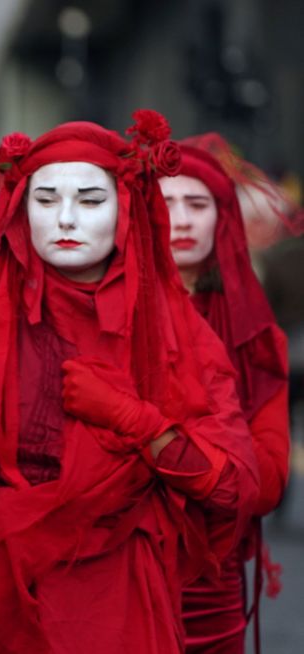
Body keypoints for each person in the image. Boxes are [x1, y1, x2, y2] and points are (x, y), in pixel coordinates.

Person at [0, 114, 259, 653]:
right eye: (46, 199)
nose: (66, 219)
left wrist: (136, 421)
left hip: (111, 601)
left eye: (89, 199)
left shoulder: (174, 333)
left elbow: (234, 485)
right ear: (19, 209)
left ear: (126, 208)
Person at [159, 134, 290, 653]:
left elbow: (266, 482)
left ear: (223, 219)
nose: (183, 219)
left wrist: (156, 446)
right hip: (119, 577)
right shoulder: (107, 323)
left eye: (198, 203)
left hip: (215, 589)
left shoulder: (255, 337)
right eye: (166, 203)